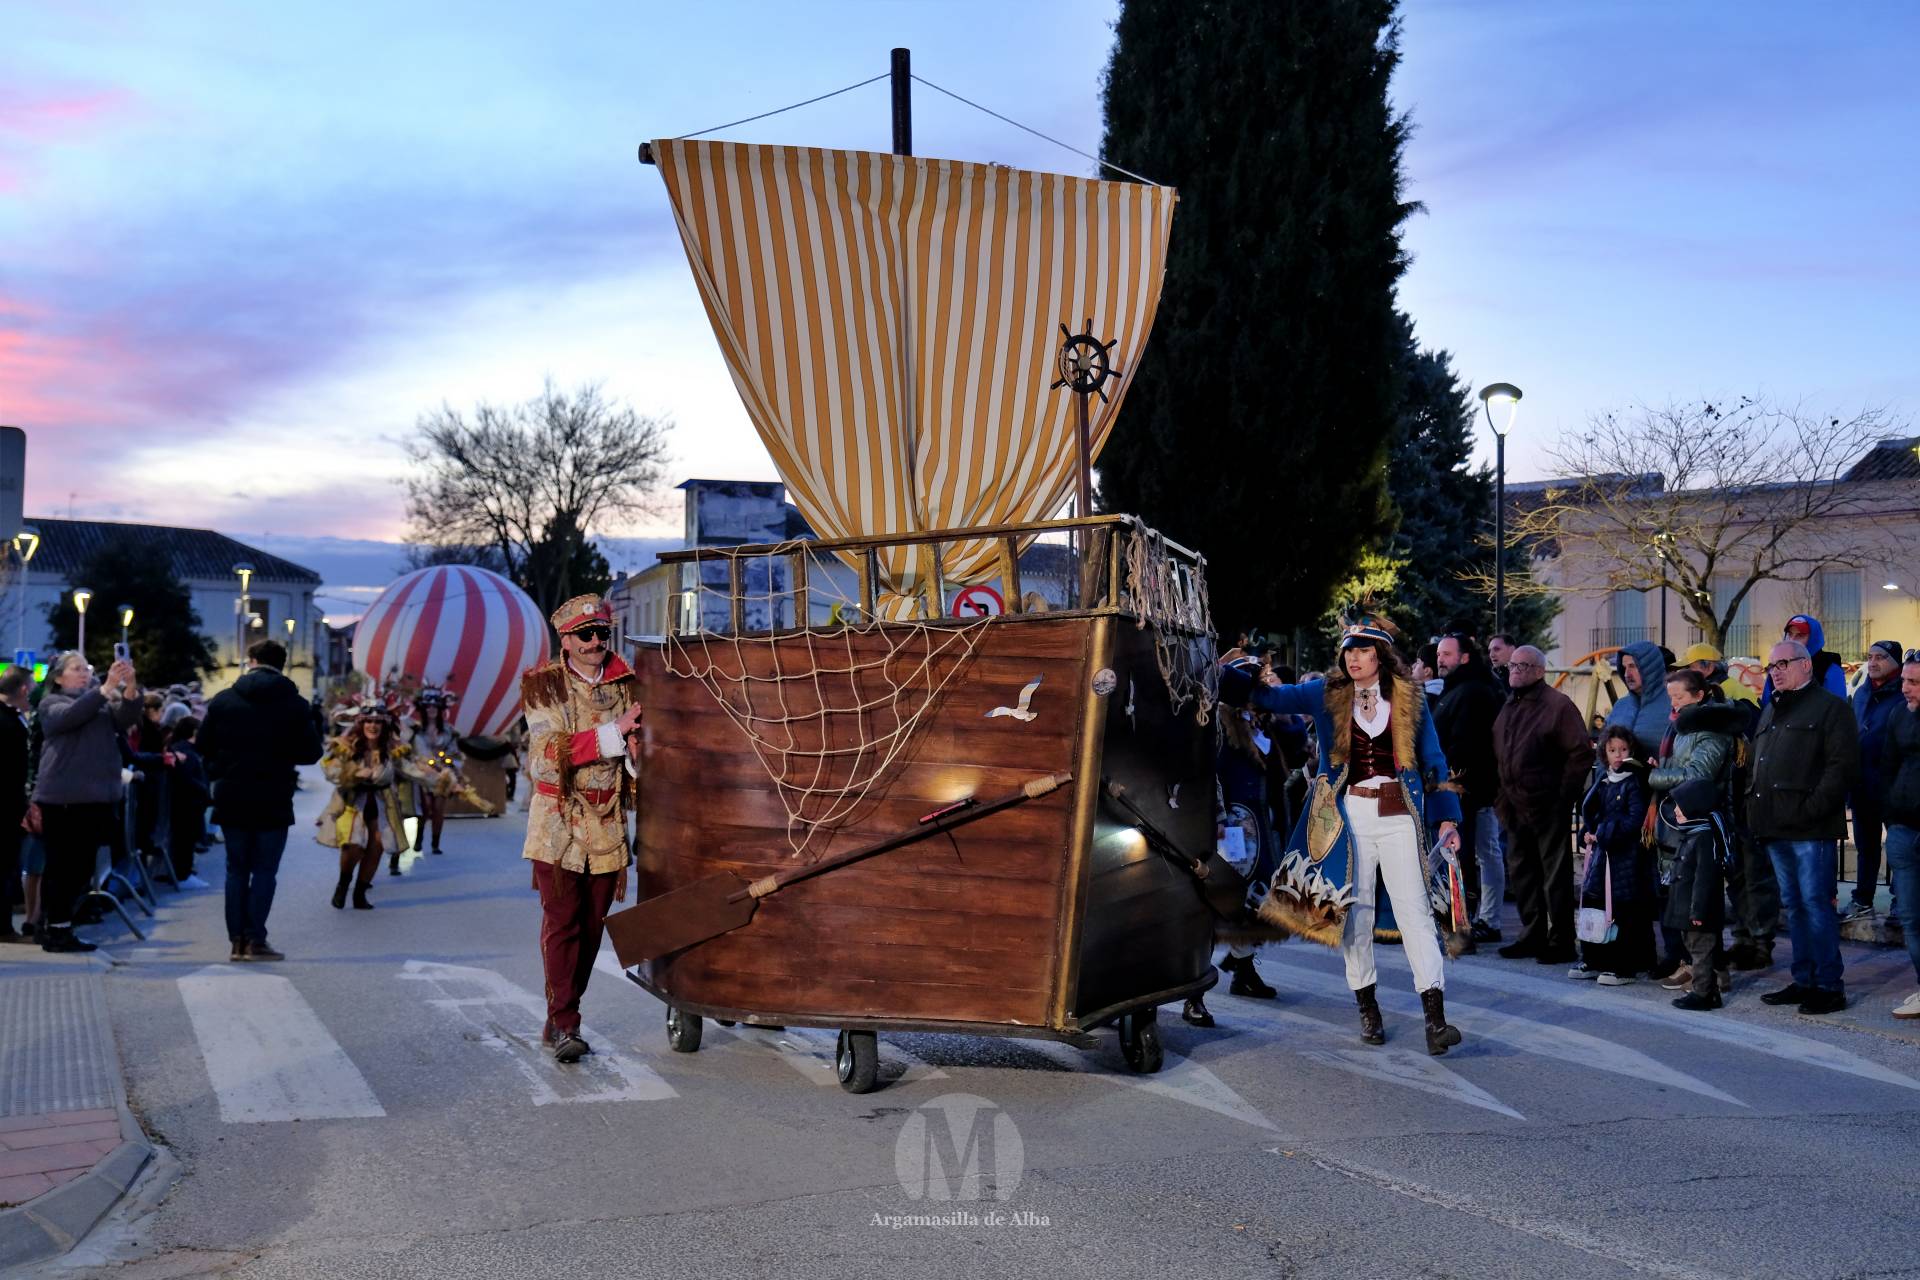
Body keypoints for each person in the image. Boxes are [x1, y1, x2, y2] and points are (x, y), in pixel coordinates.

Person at [1228, 619, 1466, 1056]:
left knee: (1416, 913)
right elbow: (1270, 697)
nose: (1353, 658)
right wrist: (1232, 668)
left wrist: (1447, 820)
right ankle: (1368, 1010)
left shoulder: (1410, 697)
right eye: (1348, 651)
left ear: (1381, 656)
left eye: (1363, 651)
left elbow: (1433, 758)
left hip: (1400, 814)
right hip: (1348, 815)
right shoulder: (1326, 693)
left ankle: (1435, 1019)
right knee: (1356, 915)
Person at [522, 595, 643, 1064]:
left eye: (601, 634)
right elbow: (545, 758)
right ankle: (566, 1023)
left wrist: (637, 754)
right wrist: (615, 734)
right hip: (557, 824)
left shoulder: (628, 684)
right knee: (562, 924)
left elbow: (637, 761)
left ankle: (560, 1014)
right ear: (566, 641)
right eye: (585, 635)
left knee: (591, 929)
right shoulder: (544, 686)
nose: (595, 642)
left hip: (608, 823)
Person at [1748, 640, 1859, 1015]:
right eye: (1771, 666)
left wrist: (1811, 810)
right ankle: (1805, 979)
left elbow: (1841, 767)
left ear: (1806, 665)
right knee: (1794, 907)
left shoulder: (1831, 708)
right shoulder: (1771, 708)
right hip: (1775, 826)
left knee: (1815, 905)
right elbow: (1758, 763)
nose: (1775, 671)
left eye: (1783, 664)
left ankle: (1829, 986)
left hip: (1811, 829)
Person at [199, 640, 326, 962]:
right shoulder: (295, 704)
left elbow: (203, 745)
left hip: (232, 794)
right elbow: (311, 752)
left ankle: (236, 941)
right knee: (265, 870)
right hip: (273, 795)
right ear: (282, 664)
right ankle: (256, 938)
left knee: (236, 870)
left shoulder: (224, 700)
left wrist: (223, 766)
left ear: (251, 661)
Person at [1492, 645, 1596, 964]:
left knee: (1555, 876)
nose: (1515, 671)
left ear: (1539, 671)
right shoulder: (1511, 703)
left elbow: (1580, 753)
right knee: (1522, 872)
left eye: (1522, 666)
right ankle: (1532, 934)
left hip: (1547, 804)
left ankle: (1561, 940)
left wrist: (1563, 797)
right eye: (1512, 665)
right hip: (1514, 803)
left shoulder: (1557, 705)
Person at [33, 652, 143, 952]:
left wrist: (130, 687)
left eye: (87, 668)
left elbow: (125, 719)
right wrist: (105, 689)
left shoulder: (99, 701)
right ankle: (55, 928)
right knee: (63, 867)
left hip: (96, 797)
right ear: (58, 677)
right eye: (76, 669)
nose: (84, 673)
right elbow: (71, 716)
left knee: (81, 868)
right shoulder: (52, 703)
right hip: (64, 798)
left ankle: (57, 924)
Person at [1646, 669, 1745, 990]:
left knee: (1700, 903)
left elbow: (1698, 774)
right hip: (1678, 821)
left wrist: (1656, 776)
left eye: (1679, 697)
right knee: (1682, 899)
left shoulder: (1710, 729)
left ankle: (1710, 973)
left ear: (1699, 695)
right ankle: (1696, 966)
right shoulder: (1682, 727)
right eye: (1670, 697)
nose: (1673, 703)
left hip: (1700, 824)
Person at [1433, 633, 1506, 947]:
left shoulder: (1473, 692)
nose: (1440, 659)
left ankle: (1468, 925)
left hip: (1465, 792)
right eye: (1439, 654)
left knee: (1466, 857)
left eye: (1447, 654)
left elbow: (1465, 747)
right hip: (1460, 790)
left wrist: (1448, 784)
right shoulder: (1456, 690)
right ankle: (1468, 923)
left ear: (1464, 657)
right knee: (1475, 854)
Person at [1575, 726, 1655, 984]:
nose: (1618, 755)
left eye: (1623, 749)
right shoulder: (1603, 779)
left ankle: (1625, 965)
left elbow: (1634, 820)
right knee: (1595, 904)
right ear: (1604, 753)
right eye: (1612, 750)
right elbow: (1594, 813)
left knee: (1623, 910)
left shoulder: (1633, 782)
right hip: (1602, 855)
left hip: (1625, 857)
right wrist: (1587, 832)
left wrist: (1603, 833)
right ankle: (1594, 958)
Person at [318, 704, 414, 909]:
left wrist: (445, 781)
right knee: (353, 846)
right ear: (360, 723)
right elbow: (329, 768)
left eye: (378, 721)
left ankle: (360, 893)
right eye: (369, 721)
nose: (373, 725)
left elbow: (414, 768)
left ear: (385, 725)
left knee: (376, 845)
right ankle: (343, 885)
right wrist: (352, 773)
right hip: (352, 802)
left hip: (382, 803)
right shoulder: (346, 745)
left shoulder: (393, 748)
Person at [1843, 639, 1906, 923]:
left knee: (1899, 849)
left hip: (1893, 785)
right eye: (1870, 656)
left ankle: (1900, 902)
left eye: (1880, 657)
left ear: (1895, 662)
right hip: (1863, 784)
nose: (1873, 662)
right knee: (1866, 847)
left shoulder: (1904, 693)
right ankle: (1863, 899)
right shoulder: (1862, 692)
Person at [1663, 778, 1733, 1011]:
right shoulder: (1692, 833)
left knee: (1701, 951)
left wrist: (1698, 912)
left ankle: (1703, 993)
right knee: (1700, 949)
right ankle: (1713, 988)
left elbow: (1705, 879)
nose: (1675, 811)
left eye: (1681, 806)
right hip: (1688, 909)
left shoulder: (1704, 837)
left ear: (1695, 808)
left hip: (1698, 911)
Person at [1878, 653, 1920, 1020]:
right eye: (1905, 680)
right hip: (1903, 829)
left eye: (1914, 682)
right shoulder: (1899, 715)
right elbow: (1888, 765)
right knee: (1909, 915)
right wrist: (1891, 815)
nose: (1905, 688)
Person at [410, 689, 462, 857]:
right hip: (422, 774)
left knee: (438, 809)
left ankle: (435, 843)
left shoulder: (448, 730)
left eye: (435, 706)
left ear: (440, 709)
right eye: (428, 706)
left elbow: (454, 753)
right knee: (424, 808)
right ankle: (418, 839)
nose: (431, 709)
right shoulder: (415, 729)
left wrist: (446, 762)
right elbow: (408, 749)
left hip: (442, 775)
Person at [0, 667, 31, 943]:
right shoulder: (8, 721)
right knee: (5, 865)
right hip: (6, 806)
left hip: (9, 803)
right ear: (22, 689)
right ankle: (3, 928)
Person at [1604, 640, 1672, 764]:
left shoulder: (1674, 706)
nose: (1627, 674)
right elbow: (1603, 751)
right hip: (1616, 777)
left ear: (1650, 668)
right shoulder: (1620, 706)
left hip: (1657, 776)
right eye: (1624, 667)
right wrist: (1602, 774)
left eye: (1632, 666)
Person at [164, 716, 212, 889]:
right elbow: (187, 779)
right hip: (187, 803)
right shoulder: (187, 753)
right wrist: (204, 790)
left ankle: (182, 873)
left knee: (183, 840)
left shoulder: (181, 748)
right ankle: (183, 875)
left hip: (184, 802)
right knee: (185, 840)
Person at [1761, 615, 1848, 703]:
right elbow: (1767, 705)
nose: (1792, 639)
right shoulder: (1776, 667)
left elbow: (1838, 707)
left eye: (1800, 635)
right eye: (1790, 634)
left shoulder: (1829, 668)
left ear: (1813, 639)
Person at [1681, 642, 1759, 708]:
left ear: (1709, 667)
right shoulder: (1721, 685)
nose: (1686, 672)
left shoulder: (1719, 691)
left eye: (1690, 667)